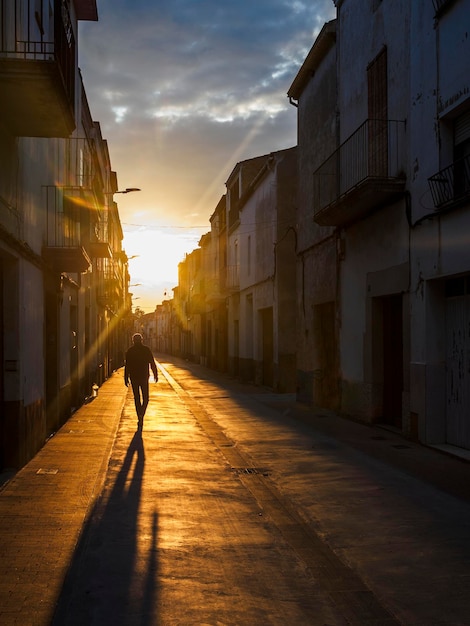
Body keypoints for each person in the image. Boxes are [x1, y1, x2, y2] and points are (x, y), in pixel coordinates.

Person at [124, 333, 158, 430]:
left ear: (133, 341)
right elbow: (152, 363)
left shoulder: (130, 351)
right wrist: (155, 374)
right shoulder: (146, 350)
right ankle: (141, 414)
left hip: (134, 377)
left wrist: (126, 378)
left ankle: (140, 415)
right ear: (141, 340)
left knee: (137, 398)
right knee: (146, 398)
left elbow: (127, 366)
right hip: (143, 377)